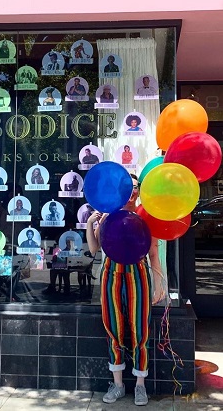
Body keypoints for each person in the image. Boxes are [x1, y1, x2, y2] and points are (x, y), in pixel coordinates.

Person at [86, 174, 164, 406]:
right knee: (113, 328)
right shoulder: (109, 216)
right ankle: (118, 383)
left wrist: (159, 284)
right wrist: (91, 223)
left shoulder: (145, 217)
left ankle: (140, 386)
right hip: (111, 274)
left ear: (140, 192)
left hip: (138, 275)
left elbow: (153, 254)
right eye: (127, 187)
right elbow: (93, 249)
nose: (131, 192)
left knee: (140, 329)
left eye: (135, 188)